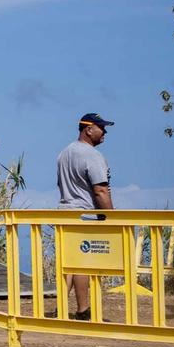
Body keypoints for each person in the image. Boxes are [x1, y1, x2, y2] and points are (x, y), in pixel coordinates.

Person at [57, 112, 115, 320]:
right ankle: (83, 309)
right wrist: (113, 218)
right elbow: (100, 190)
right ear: (88, 129)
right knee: (83, 262)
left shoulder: (64, 153)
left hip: (65, 211)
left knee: (68, 263)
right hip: (85, 213)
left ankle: (61, 306)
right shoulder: (92, 155)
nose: (105, 133)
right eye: (102, 128)